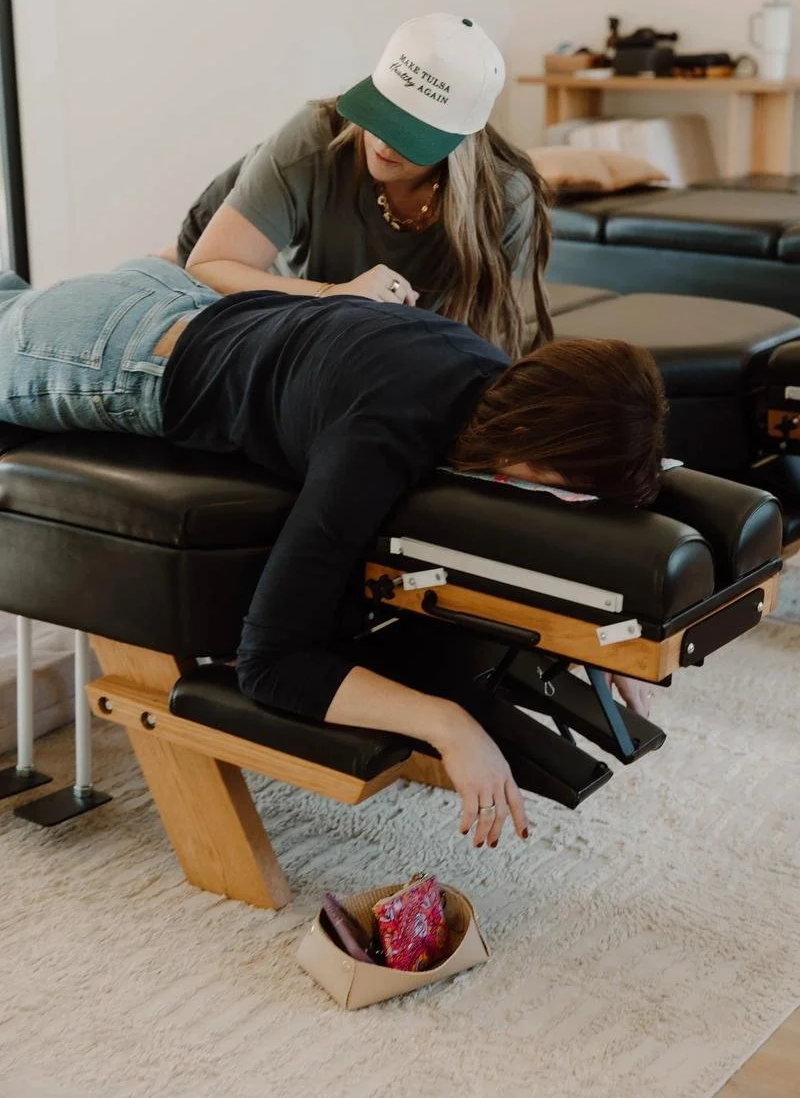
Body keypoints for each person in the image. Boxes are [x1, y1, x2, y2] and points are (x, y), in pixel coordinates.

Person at [0, 256, 667, 846]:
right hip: (101, 353)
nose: (558, 505)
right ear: (530, 435)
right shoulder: (379, 437)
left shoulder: (489, 374)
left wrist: (589, 634)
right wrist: (448, 724)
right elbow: (271, 659)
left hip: (165, 293)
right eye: (563, 490)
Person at [171, 12, 553, 358]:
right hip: (235, 245)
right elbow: (209, 266)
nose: (384, 143)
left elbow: (477, 338)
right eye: (380, 114)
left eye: (409, 133)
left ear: (459, 141)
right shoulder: (312, 138)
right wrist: (335, 295)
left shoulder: (505, 199)